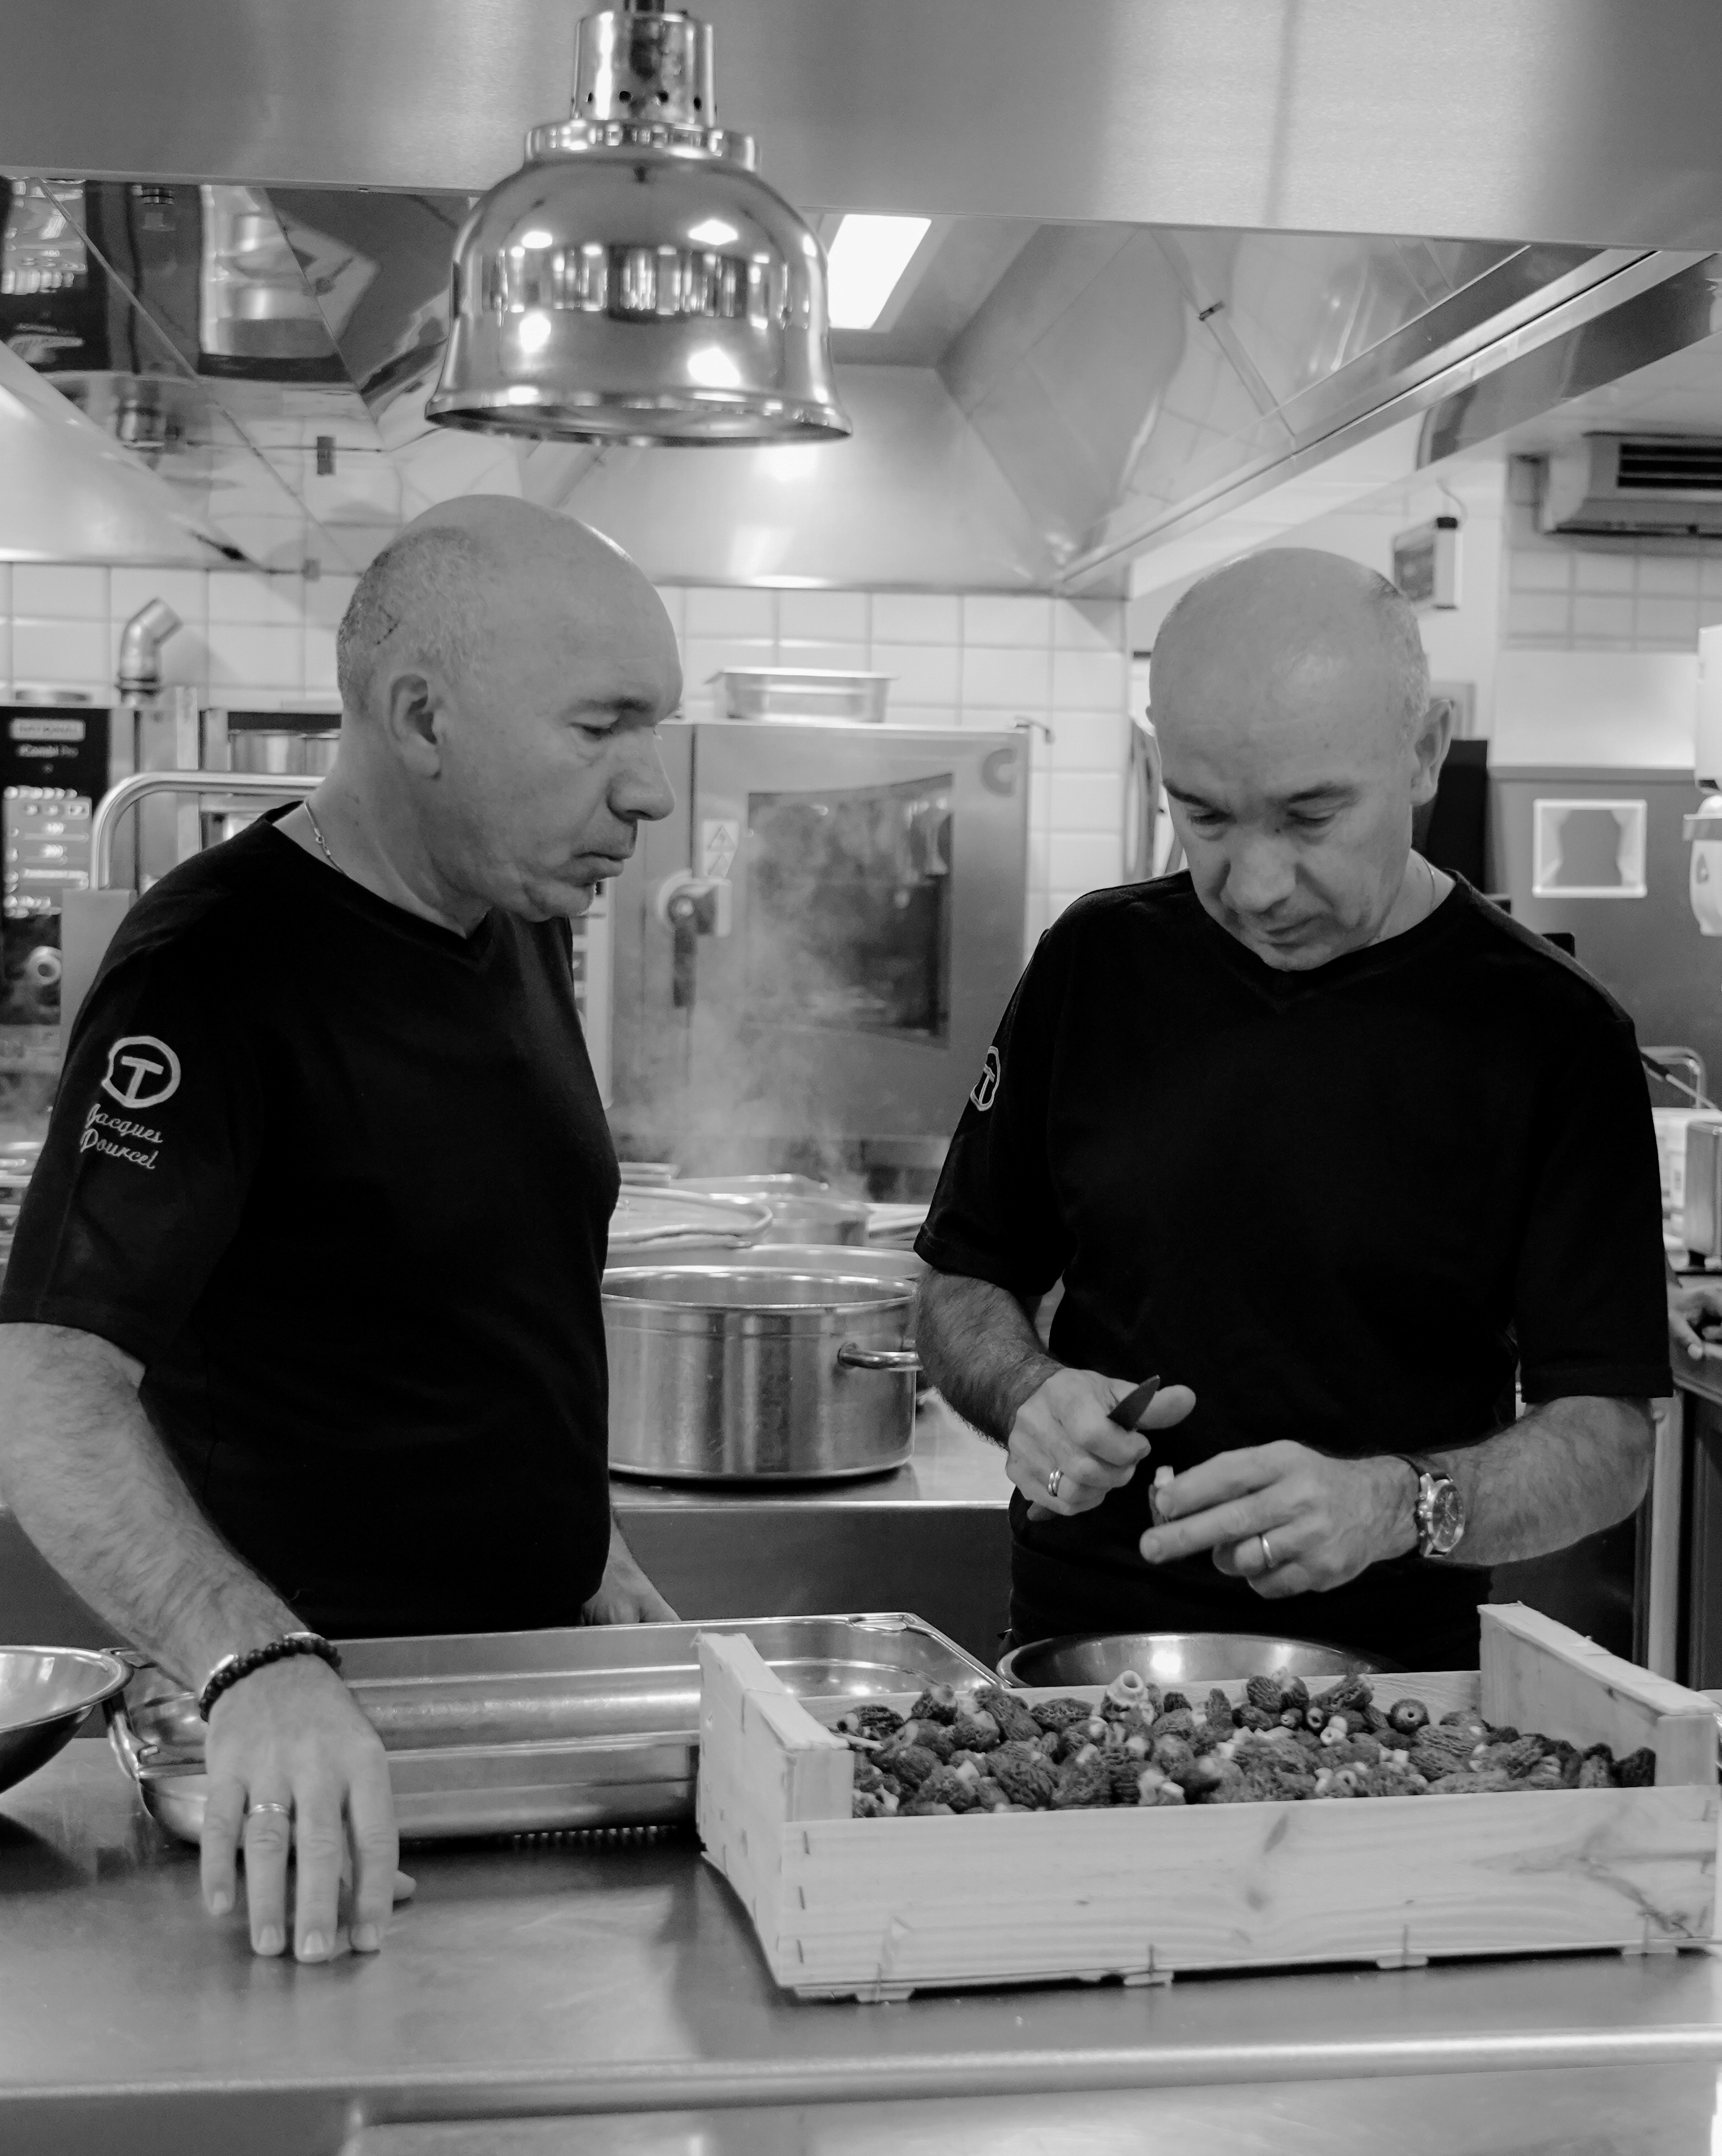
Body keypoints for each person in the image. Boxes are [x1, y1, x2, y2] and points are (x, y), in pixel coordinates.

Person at [0, 496, 679, 1964]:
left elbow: (473, 1284)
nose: (653, 792)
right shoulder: (214, 969)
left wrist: (590, 1546)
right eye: (603, 728)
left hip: (508, 1710)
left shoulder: (517, 930)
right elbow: (43, 1387)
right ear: (421, 715)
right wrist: (255, 1662)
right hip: (303, 1765)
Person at [916, 547, 1670, 1668]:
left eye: (1310, 818)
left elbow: (1606, 1437)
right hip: (1080, 1663)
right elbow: (964, 1278)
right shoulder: (1093, 963)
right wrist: (1029, 1393)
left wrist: (1395, 1503)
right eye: (1204, 817)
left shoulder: (1551, 1035)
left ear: (1424, 753)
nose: (1256, 886)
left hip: (1392, 1690)